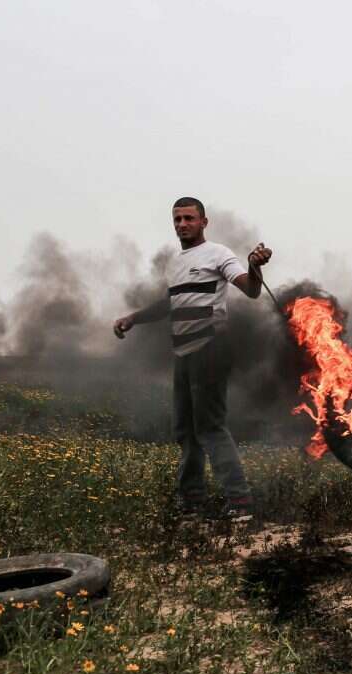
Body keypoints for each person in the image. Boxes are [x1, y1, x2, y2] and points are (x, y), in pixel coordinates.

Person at [113, 197, 273, 522]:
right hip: (183, 354)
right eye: (177, 219)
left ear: (203, 222)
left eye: (189, 218)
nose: (182, 224)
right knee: (185, 431)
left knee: (210, 427)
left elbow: (251, 290)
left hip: (210, 347)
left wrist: (254, 266)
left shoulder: (218, 254)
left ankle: (240, 501)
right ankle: (191, 502)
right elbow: (170, 303)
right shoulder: (174, 263)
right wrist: (133, 318)